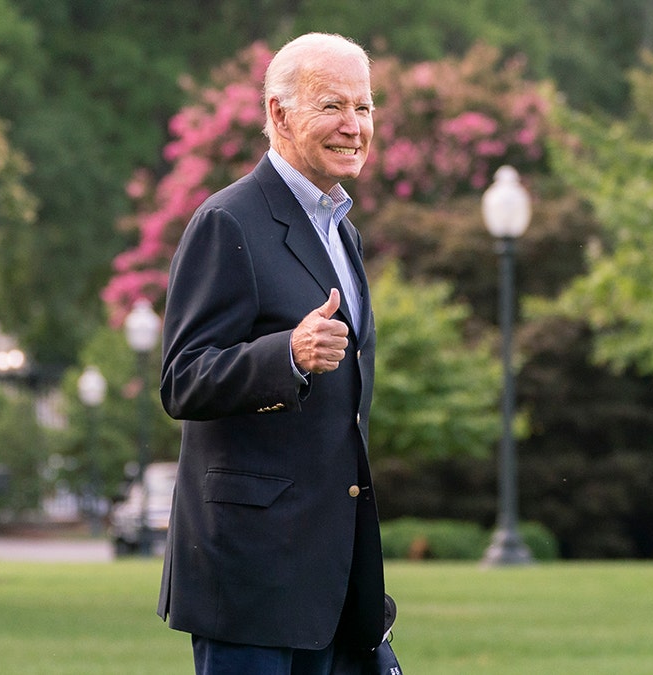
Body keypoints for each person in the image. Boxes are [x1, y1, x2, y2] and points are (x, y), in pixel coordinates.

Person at [156, 33, 391, 675]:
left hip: (327, 575)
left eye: (365, 108)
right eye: (333, 107)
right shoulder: (227, 221)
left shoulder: (342, 229)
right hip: (249, 577)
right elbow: (183, 380)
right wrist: (284, 355)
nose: (354, 127)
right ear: (279, 114)